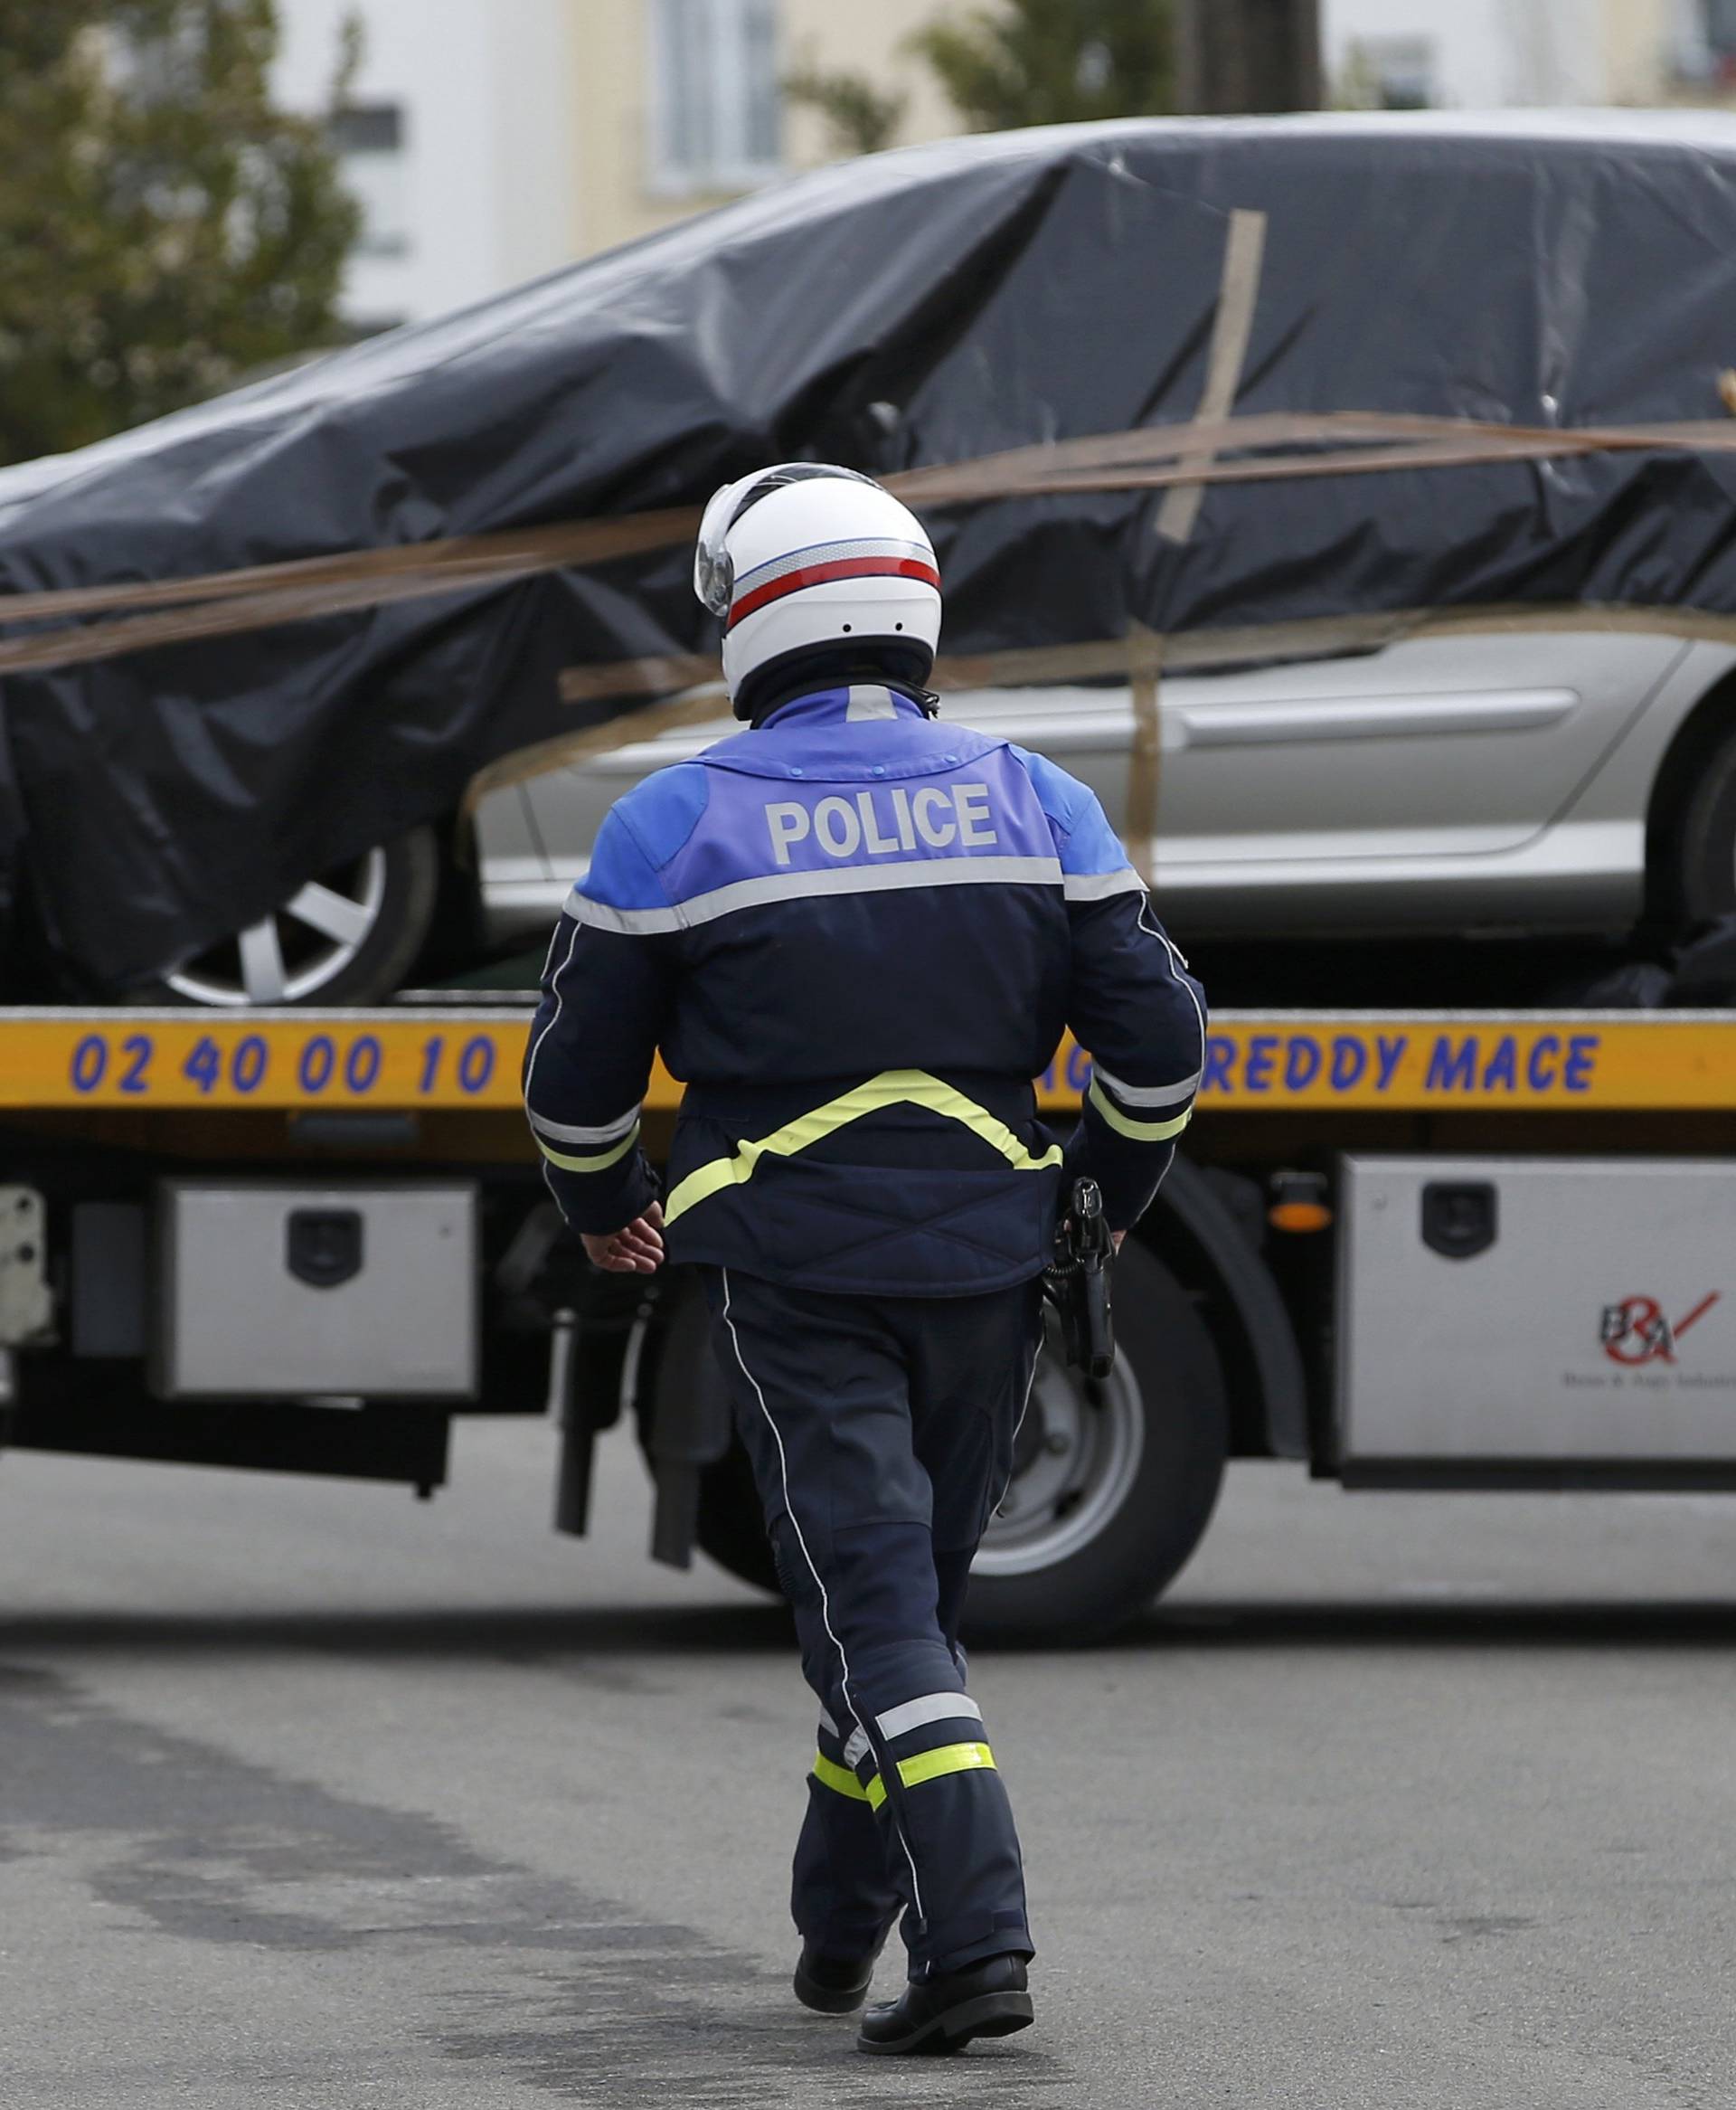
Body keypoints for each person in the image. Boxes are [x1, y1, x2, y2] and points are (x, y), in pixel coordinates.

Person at [522, 464, 1206, 2056]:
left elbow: (571, 1082)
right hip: (991, 1259)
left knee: (877, 1610)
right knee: (903, 1610)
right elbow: (1162, 1045)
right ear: (909, 610)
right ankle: (838, 1933)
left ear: (754, 620)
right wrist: (1098, 1192)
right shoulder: (1040, 798)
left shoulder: (673, 820)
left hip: (794, 1270)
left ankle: (977, 1941)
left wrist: (603, 1196)